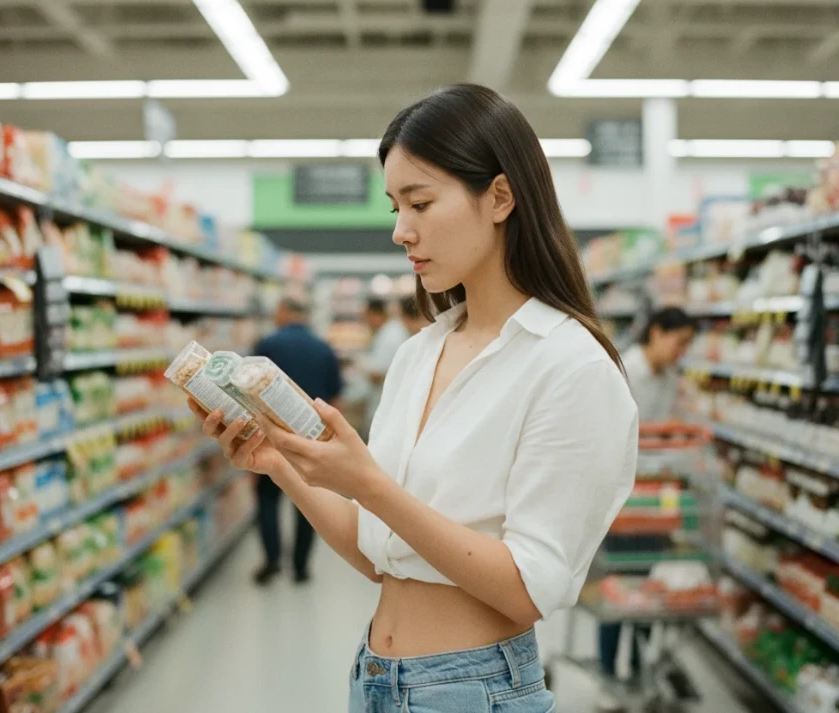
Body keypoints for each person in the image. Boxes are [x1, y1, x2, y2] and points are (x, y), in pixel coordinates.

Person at [191, 84, 637, 712]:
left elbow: (526, 590)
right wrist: (279, 464)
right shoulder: (418, 353)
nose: (401, 231)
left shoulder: (570, 367)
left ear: (501, 197)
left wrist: (370, 484)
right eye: (394, 207)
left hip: (472, 689)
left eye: (420, 202)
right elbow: (382, 556)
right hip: (375, 676)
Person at [597, 307, 696, 708]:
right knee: (615, 589)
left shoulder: (671, 380)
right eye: (680, 341)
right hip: (621, 502)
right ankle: (608, 675)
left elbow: (669, 433)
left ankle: (638, 671)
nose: (682, 351)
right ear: (656, 332)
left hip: (654, 501)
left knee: (647, 591)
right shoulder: (622, 370)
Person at [249, 295, 343, 586]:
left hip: (270, 435)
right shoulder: (324, 348)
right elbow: (335, 397)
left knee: (267, 498)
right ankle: (301, 566)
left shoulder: (267, 346)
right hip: (311, 436)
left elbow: (247, 389)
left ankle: (272, 560)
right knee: (308, 500)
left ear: (285, 312)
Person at [362, 298, 409, 436]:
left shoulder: (390, 336)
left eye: (367, 317)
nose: (366, 322)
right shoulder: (390, 331)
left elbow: (377, 374)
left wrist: (363, 367)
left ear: (375, 314)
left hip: (387, 404)